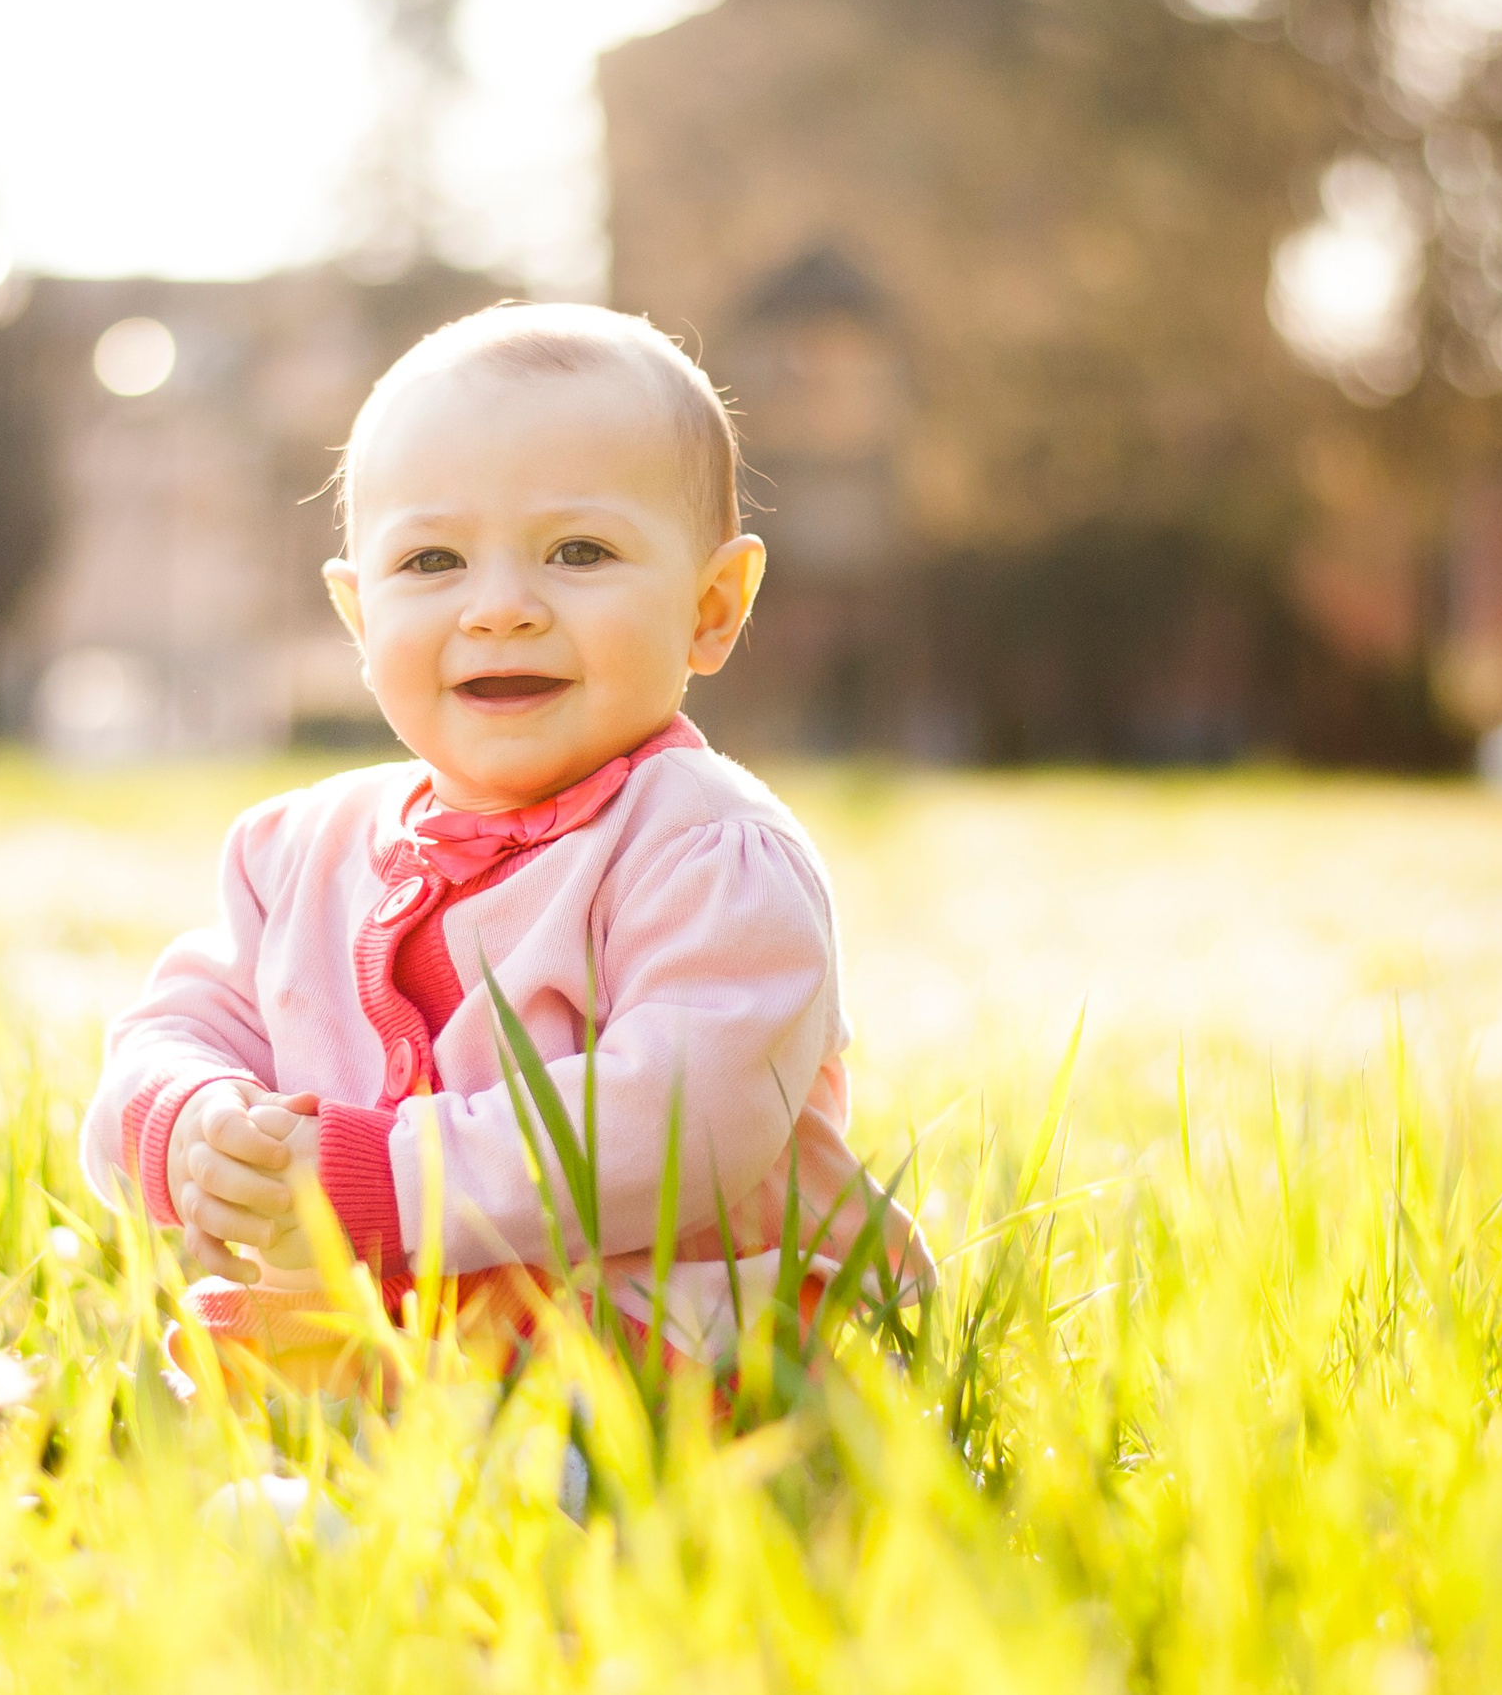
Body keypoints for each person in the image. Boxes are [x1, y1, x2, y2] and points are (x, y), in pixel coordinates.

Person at [82, 303, 928, 1387]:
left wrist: (381, 1185)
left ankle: (482, 1478)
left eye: (578, 551)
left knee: (582, 1374)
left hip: (697, 1305)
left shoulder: (708, 853)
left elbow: (679, 1125)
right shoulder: (298, 854)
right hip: (424, 1312)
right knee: (240, 1356)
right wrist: (193, 1130)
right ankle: (306, 1481)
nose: (500, 608)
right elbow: (167, 1031)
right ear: (358, 616)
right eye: (431, 560)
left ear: (712, 607)